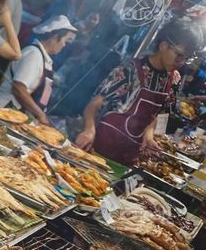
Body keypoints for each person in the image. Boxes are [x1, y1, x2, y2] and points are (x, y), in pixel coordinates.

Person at [74, 18, 203, 165]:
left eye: (187, 58)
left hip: (129, 158)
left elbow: (157, 116)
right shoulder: (130, 69)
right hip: (98, 149)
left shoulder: (174, 79)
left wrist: (148, 136)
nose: (182, 62)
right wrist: (89, 129)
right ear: (163, 46)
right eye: (180, 55)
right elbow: (94, 104)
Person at [0, 15, 77, 124]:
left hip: (16, 115)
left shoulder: (44, 60)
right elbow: (18, 88)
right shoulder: (33, 54)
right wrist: (40, 115)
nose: (64, 45)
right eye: (65, 40)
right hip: (3, 112)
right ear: (55, 38)